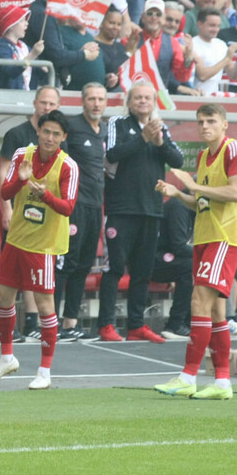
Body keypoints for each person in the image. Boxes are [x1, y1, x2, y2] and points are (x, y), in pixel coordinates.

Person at [0, 110, 79, 390]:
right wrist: (21, 180)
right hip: (16, 239)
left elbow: (68, 207)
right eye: (46, 131)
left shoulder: (68, 166)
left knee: (45, 305)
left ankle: (44, 371)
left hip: (43, 246)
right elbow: (4, 193)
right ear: (38, 131)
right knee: (3, 297)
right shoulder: (21, 155)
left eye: (56, 134)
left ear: (63, 137)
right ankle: (6, 358)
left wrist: (44, 195)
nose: (49, 138)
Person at [154, 103, 237, 400]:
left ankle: (188, 376)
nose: (204, 126)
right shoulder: (203, 156)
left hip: (223, 237)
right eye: (200, 121)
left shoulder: (231, 150)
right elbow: (202, 203)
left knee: (198, 301)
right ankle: (222, 383)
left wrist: (194, 186)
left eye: (211, 121)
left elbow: (234, 192)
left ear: (224, 124)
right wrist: (179, 193)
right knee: (215, 312)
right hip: (203, 238)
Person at [98, 82, 184, 342]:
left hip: (152, 210)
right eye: (138, 97)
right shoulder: (118, 123)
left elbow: (178, 160)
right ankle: (106, 324)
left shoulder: (160, 126)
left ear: (154, 102)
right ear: (129, 101)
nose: (143, 101)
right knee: (114, 269)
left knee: (143, 271)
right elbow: (112, 154)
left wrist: (160, 142)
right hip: (122, 210)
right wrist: (143, 138)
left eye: (147, 97)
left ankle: (136, 325)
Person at [0, 86, 60, 340]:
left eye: (52, 104)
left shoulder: (58, 138)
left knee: (37, 271)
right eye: (43, 103)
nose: (47, 107)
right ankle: (9, 330)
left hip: (44, 217)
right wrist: (6, 207)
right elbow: (3, 172)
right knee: (11, 276)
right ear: (34, 103)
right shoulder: (17, 134)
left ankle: (33, 323)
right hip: (19, 213)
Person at [55, 82, 106, 341]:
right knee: (66, 263)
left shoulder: (104, 130)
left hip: (96, 206)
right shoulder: (72, 127)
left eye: (100, 99)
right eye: (91, 99)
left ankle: (70, 323)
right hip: (74, 206)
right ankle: (50, 322)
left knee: (85, 264)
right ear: (82, 101)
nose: (96, 103)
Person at [24, 0, 101, 88]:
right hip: (41, 83)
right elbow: (57, 56)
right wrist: (84, 54)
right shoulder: (42, 14)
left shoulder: (44, 12)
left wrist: (80, 52)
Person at [151, 192, 194, 340]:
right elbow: (178, 246)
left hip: (167, 257)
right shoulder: (179, 206)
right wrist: (205, 253)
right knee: (190, 266)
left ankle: (190, 322)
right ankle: (175, 324)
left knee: (200, 265)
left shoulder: (189, 208)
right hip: (152, 260)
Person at [132, 0, 197, 95]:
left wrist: (188, 57)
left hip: (160, 96)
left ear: (163, 18)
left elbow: (182, 77)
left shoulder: (173, 43)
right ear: (142, 17)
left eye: (158, 14)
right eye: (150, 14)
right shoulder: (132, 39)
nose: (154, 17)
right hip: (135, 95)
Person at [0, 6, 43, 89]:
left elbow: (39, 72)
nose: (27, 23)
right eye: (22, 21)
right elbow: (11, 71)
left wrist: (44, 68)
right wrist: (32, 55)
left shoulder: (24, 47)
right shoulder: (1, 47)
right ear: (11, 25)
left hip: (25, 94)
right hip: (5, 95)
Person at [192, 7, 237, 93]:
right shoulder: (193, 44)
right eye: (212, 25)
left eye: (218, 26)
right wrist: (227, 58)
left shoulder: (221, 44)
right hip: (196, 96)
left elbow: (232, 75)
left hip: (215, 97)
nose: (216, 30)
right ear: (200, 24)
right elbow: (202, 76)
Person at [94, 6, 128, 89]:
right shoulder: (92, 45)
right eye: (112, 23)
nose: (115, 27)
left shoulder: (121, 47)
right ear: (101, 23)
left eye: (119, 24)